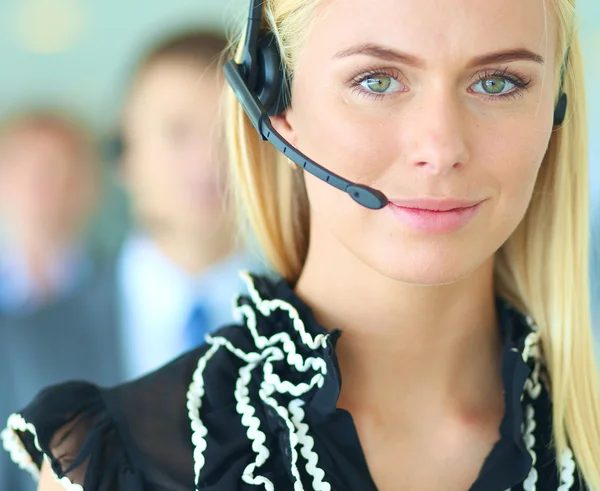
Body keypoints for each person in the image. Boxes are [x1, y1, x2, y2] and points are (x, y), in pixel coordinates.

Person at [3, 0, 600, 489]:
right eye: (377, 80)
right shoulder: (120, 459)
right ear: (274, 104)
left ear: (555, 108)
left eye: (498, 82)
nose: (441, 147)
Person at [0, 112, 98, 315]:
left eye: (54, 169)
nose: (36, 183)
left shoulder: (123, 285)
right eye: (23, 167)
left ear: (88, 186)